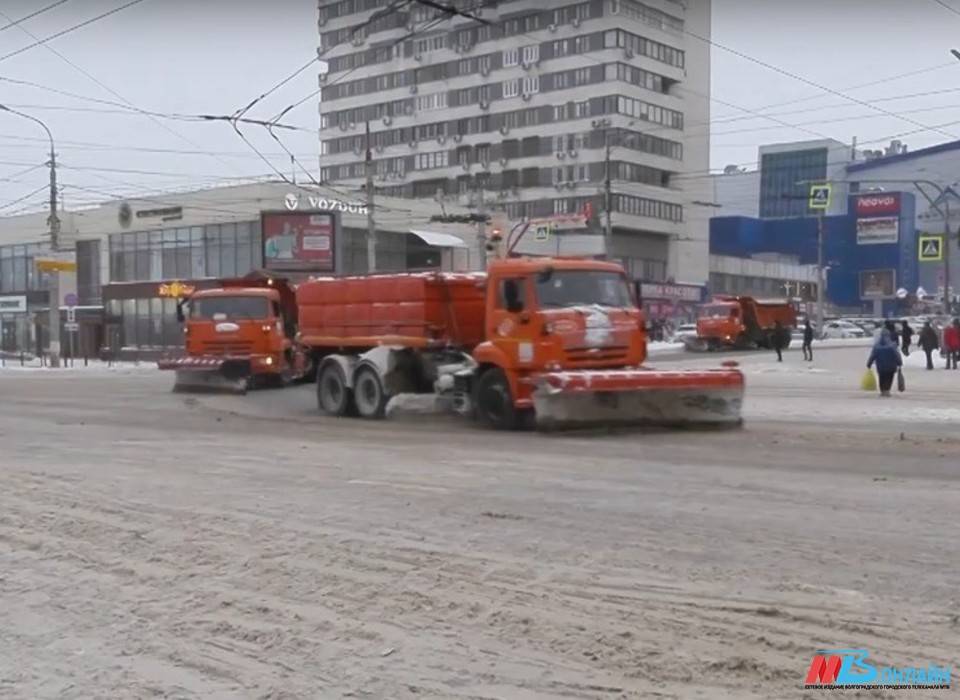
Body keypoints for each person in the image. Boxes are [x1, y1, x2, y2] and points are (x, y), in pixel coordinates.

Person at [867, 329, 902, 397]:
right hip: (891, 366)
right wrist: (899, 363)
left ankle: (882, 391)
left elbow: (873, 356)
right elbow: (897, 355)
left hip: (881, 367)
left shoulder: (877, 346)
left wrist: (869, 363)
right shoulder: (892, 345)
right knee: (889, 378)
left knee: (881, 378)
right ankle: (887, 390)